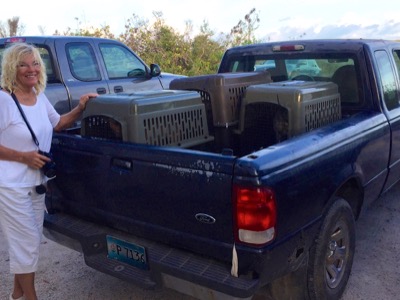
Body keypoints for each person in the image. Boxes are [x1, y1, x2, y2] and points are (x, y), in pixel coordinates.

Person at [0, 42, 97, 300]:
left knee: (27, 243)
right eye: (23, 64)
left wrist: (81, 107)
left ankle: (16, 295)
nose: (30, 69)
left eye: (34, 64)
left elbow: (58, 124)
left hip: (37, 182)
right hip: (10, 185)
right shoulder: (3, 100)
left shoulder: (39, 96)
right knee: (27, 244)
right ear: (12, 68)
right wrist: (23, 157)